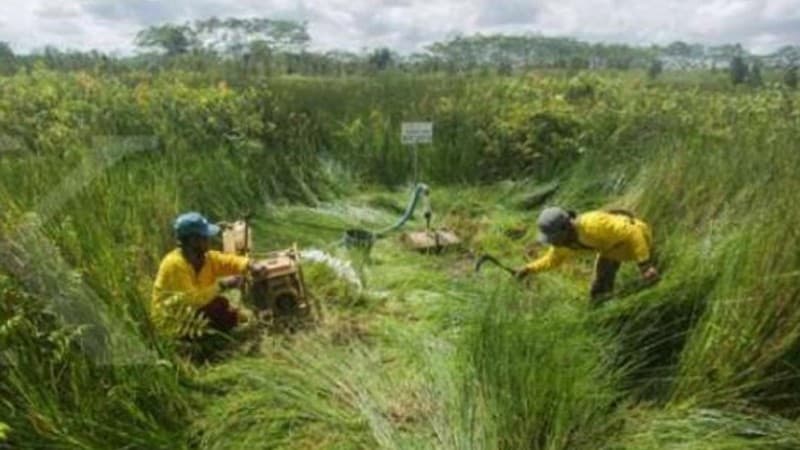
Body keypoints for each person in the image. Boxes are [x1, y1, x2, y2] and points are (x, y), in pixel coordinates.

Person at [151, 212, 266, 337]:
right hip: (173, 320)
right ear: (193, 240)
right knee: (217, 309)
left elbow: (228, 262)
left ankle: (236, 325)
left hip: (193, 314)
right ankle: (204, 341)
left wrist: (249, 264)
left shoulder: (205, 258)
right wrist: (223, 285)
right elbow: (191, 301)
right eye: (205, 237)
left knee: (221, 305)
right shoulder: (175, 265)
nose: (209, 240)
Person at [515, 206, 659, 302]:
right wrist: (527, 269)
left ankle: (655, 289)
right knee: (598, 290)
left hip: (639, 240)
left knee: (652, 278)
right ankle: (603, 306)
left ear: (566, 228)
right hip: (610, 251)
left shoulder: (593, 225)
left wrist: (644, 264)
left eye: (554, 238)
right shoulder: (564, 244)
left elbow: (633, 232)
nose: (553, 243)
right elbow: (551, 260)